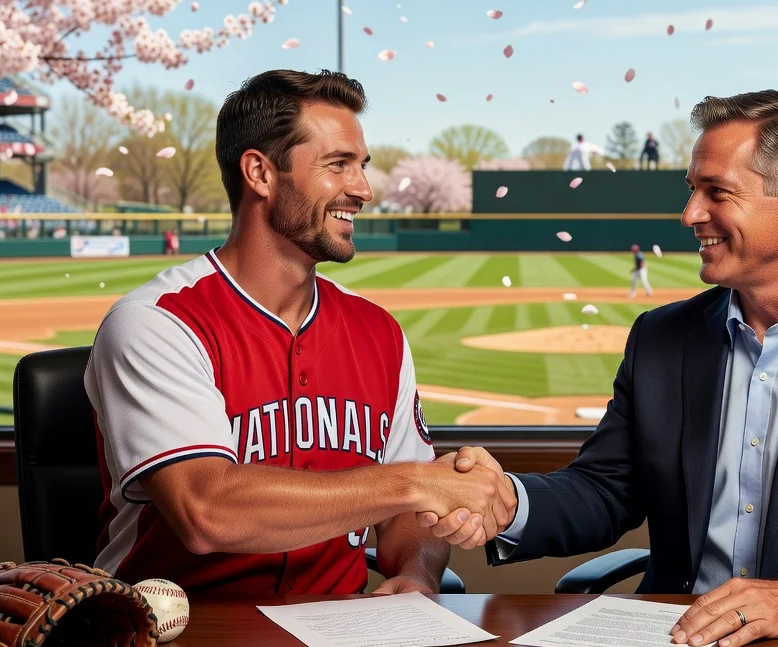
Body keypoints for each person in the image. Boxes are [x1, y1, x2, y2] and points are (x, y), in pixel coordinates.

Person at [444, 88, 778, 647]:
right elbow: (608, 489)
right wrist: (511, 502)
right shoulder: (661, 339)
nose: (690, 215)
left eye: (717, 193)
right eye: (692, 191)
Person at [85, 69, 512, 597]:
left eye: (362, 167)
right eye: (338, 165)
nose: (363, 190)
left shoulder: (378, 332)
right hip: (180, 642)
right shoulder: (160, 322)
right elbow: (206, 512)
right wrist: (416, 482)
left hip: (344, 639)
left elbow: (411, 517)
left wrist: (414, 572)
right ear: (260, 173)